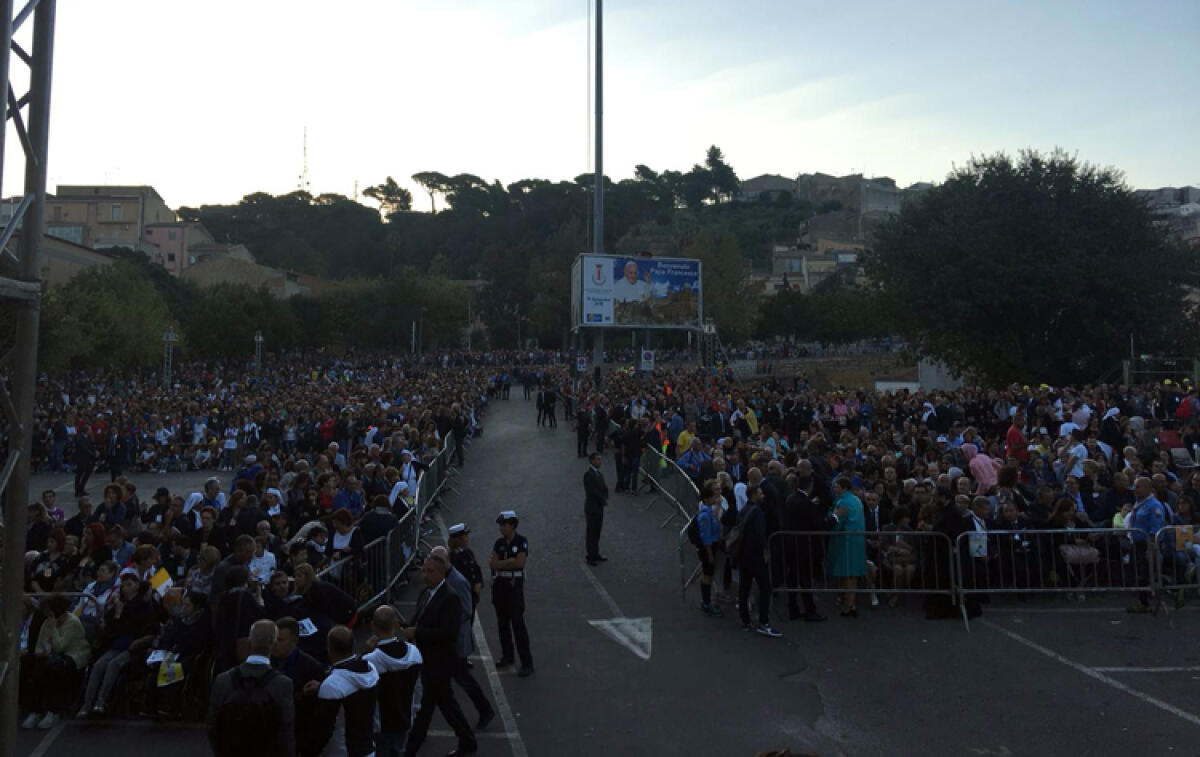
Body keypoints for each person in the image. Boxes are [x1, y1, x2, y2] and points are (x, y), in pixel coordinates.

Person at [403, 554, 478, 757]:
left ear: (441, 573)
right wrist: (407, 628)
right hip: (429, 661)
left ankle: (409, 751)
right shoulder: (426, 592)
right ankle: (468, 741)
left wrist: (417, 633)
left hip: (440, 663)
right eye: (424, 571)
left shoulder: (450, 597)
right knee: (446, 705)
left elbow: (449, 633)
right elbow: (418, 619)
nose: (425, 575)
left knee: (427, 711)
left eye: (430, 571)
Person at [208, 619, 295, 757]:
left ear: (249, 642)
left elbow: (213, 727)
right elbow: (285, 734)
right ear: (274, 645)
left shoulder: (223, 680)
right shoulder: (282, 684)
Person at [78, 572, 160, 717]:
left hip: (133, 647)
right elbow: (111, 629)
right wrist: (117, 613)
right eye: (123, 585)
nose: (125, 588)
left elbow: (150, 630)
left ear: (137, 586)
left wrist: (138, 642)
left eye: (129, 584)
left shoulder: (144, 606)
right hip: (116, 644)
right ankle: (87, 704)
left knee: (113, 665)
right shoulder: (119, 605)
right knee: (98, 666)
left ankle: (101, 701)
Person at [430, 546, 494, 729]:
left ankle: (484, 710)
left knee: (463, 679)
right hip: (446, 641)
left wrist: (444, 622)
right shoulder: (444, 578)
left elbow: (466, 609)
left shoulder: (457, 581)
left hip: (454, 640)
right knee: (446, 684)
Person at [19, 594, 90, 730]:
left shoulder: (72, 622)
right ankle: (35, 710)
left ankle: (54, 711)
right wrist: (42, 651)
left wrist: (53, 629)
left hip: (74, 655)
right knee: (37, 668)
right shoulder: (47, 622)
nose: (47, 615)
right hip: (52, 656)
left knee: (55, 670)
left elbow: (60, 646)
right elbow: (40, 646)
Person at [312, 625, 380, 757]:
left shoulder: (331, 686)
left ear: (329, 648)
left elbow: (322, 731)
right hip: (368, 749)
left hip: (341, 752)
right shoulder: (370, 669)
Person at [363, 606, 422, 757]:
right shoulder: (413, 652)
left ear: (373, 626)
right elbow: (418, 688)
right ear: (395, 625)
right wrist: (414, 711)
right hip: (405, 719)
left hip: (381, 724)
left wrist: (366, 651)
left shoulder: (371, 660)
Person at [271, 616, 327, 757]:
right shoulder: (267, 662)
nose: (275, 644)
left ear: (294, 641)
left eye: (281, 640)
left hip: (299, 737)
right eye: (274, 639)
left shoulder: (311, 668)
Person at [490, 510, 534, 677]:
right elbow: (493, 564)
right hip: (500, 584)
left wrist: (503, 563)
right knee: (503, 624)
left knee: (518, 624)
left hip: (514, 585)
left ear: (512, 525)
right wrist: (509, 561)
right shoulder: (498, 543)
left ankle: (527, 662)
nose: (501, 528)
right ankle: (507, 656)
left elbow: (520, 563)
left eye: (504, 525)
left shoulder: (521, 541)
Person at [736, 485, 782, 637]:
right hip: (755, 556)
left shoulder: (744, 510)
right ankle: (763, 622)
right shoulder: (757, 512)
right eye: (760, 493)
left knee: (744, 587)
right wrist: (765, 551)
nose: (763, 495)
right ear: (754, 494)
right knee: (765, 588)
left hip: (744, 555)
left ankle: (745, 620)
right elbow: (760, 534)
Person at [827, 478, 867, 617]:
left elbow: (837, 522)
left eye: (837, 487)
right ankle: (851, 603)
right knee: (852, 575)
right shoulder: (856, 499)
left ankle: (849, 605)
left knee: (848, 574)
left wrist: (830, 516)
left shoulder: (842, 502)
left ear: (844, 488)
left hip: (846, 541)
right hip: (857, 540)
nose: (834, 489)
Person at [448, 523, 484, 616]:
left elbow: (476, 569)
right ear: (457, 539)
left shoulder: (468, 552)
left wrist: (478, 583)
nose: (467, 538)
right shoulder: (452, 558)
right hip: (461, 597)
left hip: (472, 596)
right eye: (465, 536)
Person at [583, 452, 609, 565]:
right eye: (598, 459)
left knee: (597, 531)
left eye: (600, 459)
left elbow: (604, 487)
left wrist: (605, 495)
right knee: (591, 533)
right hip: (592, 507)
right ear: (592, 461)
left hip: (598, 507)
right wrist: (602, 499)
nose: (600, 462)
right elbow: (592, 490)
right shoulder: (588, 475)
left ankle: (595, 553)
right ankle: (590, 556)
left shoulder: (599, 473)